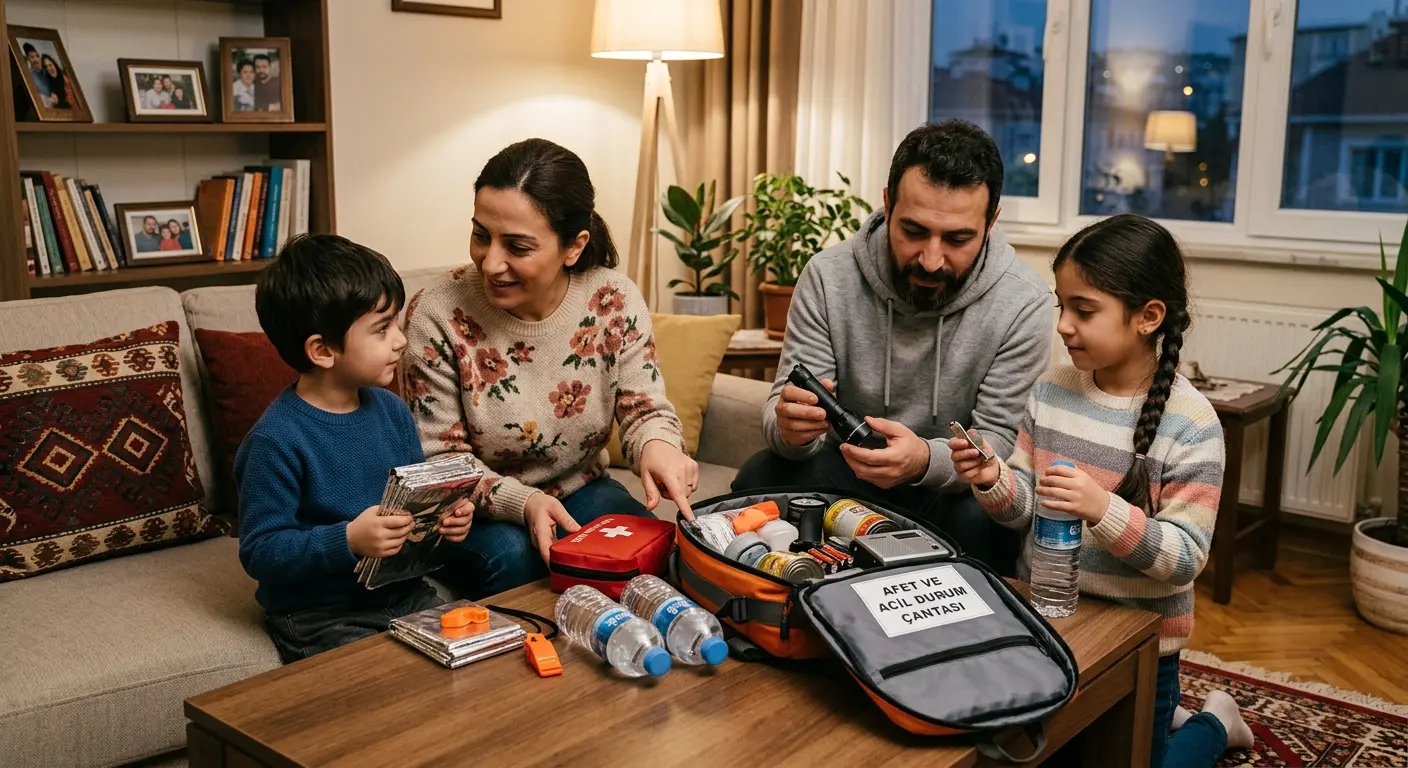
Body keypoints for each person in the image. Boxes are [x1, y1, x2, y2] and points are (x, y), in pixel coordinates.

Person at [948, 214, 1252, 768]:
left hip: (1142, 645)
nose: (1064, 326)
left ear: (1148, 317)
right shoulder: (1050, 392)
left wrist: (1102, 509)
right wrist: (994, 480)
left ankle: (1214, 722)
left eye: (1084, 311)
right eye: (1061, 305)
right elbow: (1025, 510)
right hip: (1050, 622)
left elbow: (1185, 559)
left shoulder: (1192, 424)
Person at [731, 119, 1052, 573]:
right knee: (760, 475)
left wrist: (923, 461)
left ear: (991, 221)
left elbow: (997, 444)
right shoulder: (828, 277)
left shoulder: (1023, 301)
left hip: (948, 489)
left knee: (986, 516)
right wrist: (791, 429)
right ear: (887, 203)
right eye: (914, 231)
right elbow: (781, 418)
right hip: (846, 474)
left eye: (958, 239)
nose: (931, 260)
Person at [401, 138, 698, 598]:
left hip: (580, 487)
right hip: (469, 512)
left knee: (653, 551)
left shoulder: (612, 300)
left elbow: (644, 409)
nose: (491, 262)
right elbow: (442, 461)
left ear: (573, 246)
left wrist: (658, 445)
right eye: (481, 235)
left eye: (517, 246)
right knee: (520, 561)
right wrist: (525, 502)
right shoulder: (436, 314)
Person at [235, 234, 474, 663]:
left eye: (396, 323)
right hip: (321, 612)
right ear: (323, 350)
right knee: (375, 681)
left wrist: (444, 520)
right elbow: (262, 552)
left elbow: (412, 505)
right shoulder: (274, 441)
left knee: (475, 655)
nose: (400, 340)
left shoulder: (392, 411)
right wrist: (347, 539)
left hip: (402, 592)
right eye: (382, 329)